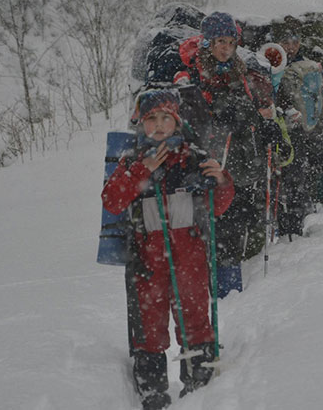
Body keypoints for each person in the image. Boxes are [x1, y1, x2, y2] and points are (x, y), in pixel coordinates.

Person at [101, 88, 235, 410]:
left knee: (194, 319)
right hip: (148, 261)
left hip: (189, 256)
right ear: (141, 123)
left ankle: (199, 387)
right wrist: (141, 171)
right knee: (149, 325)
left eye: (166, 118)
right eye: (151, 119)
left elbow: (217, 208)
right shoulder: (132, 159)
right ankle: (153, 395)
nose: (159, 126)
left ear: (177, 121)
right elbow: (112, 200)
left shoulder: (193, 157)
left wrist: (221, 181)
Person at [177, 11, 281, 296]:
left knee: (237, 230)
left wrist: (264, 127)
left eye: (231, 42)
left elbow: (250, 112)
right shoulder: (194, 74)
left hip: (244, 165)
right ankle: (218, 294)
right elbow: (188, 122)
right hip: (214, 169)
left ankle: (232, 291)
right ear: (208, 41)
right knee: (218, 233)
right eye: (220, 41)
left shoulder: (240, 71)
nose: (226, 48)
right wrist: (219, 119)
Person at [272, 15, 323, 237]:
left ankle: (294, 225)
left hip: (298, 133)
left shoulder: (309, 66)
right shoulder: (269, 64)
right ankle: (283, 224)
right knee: (282, 179)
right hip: (278, 132)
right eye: (286, 42)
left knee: (296, 179)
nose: (291, 47)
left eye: (295, 42)